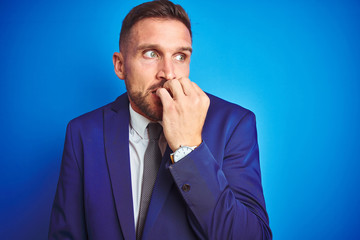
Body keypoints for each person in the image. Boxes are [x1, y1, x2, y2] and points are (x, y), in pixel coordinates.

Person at [48, 0, 272, 239]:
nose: (168, 73)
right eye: (151, 53)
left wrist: (189, 149)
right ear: (120, 65)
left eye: (180, 56)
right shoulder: (83, 132)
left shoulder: (234, 125)